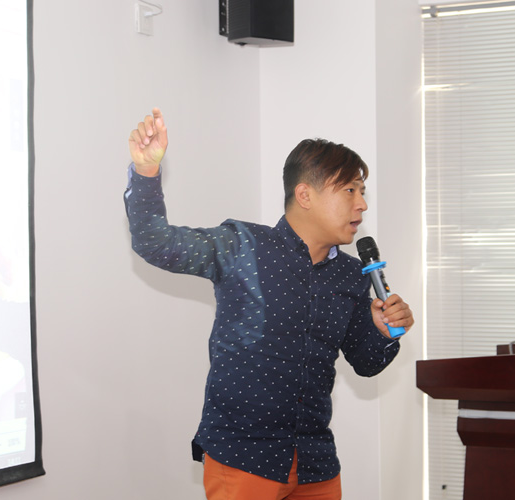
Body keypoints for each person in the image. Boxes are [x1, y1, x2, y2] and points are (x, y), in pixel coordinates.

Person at [125, 108, 413, 500]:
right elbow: (156, 243)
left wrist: (383, 333)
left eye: (363, 192)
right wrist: (145, 172)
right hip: (244, 458)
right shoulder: (241, 245)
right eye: (350, 190)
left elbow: (366, 363)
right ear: (305, 195)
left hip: (315, 462)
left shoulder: (351, 275)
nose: (361, 204)